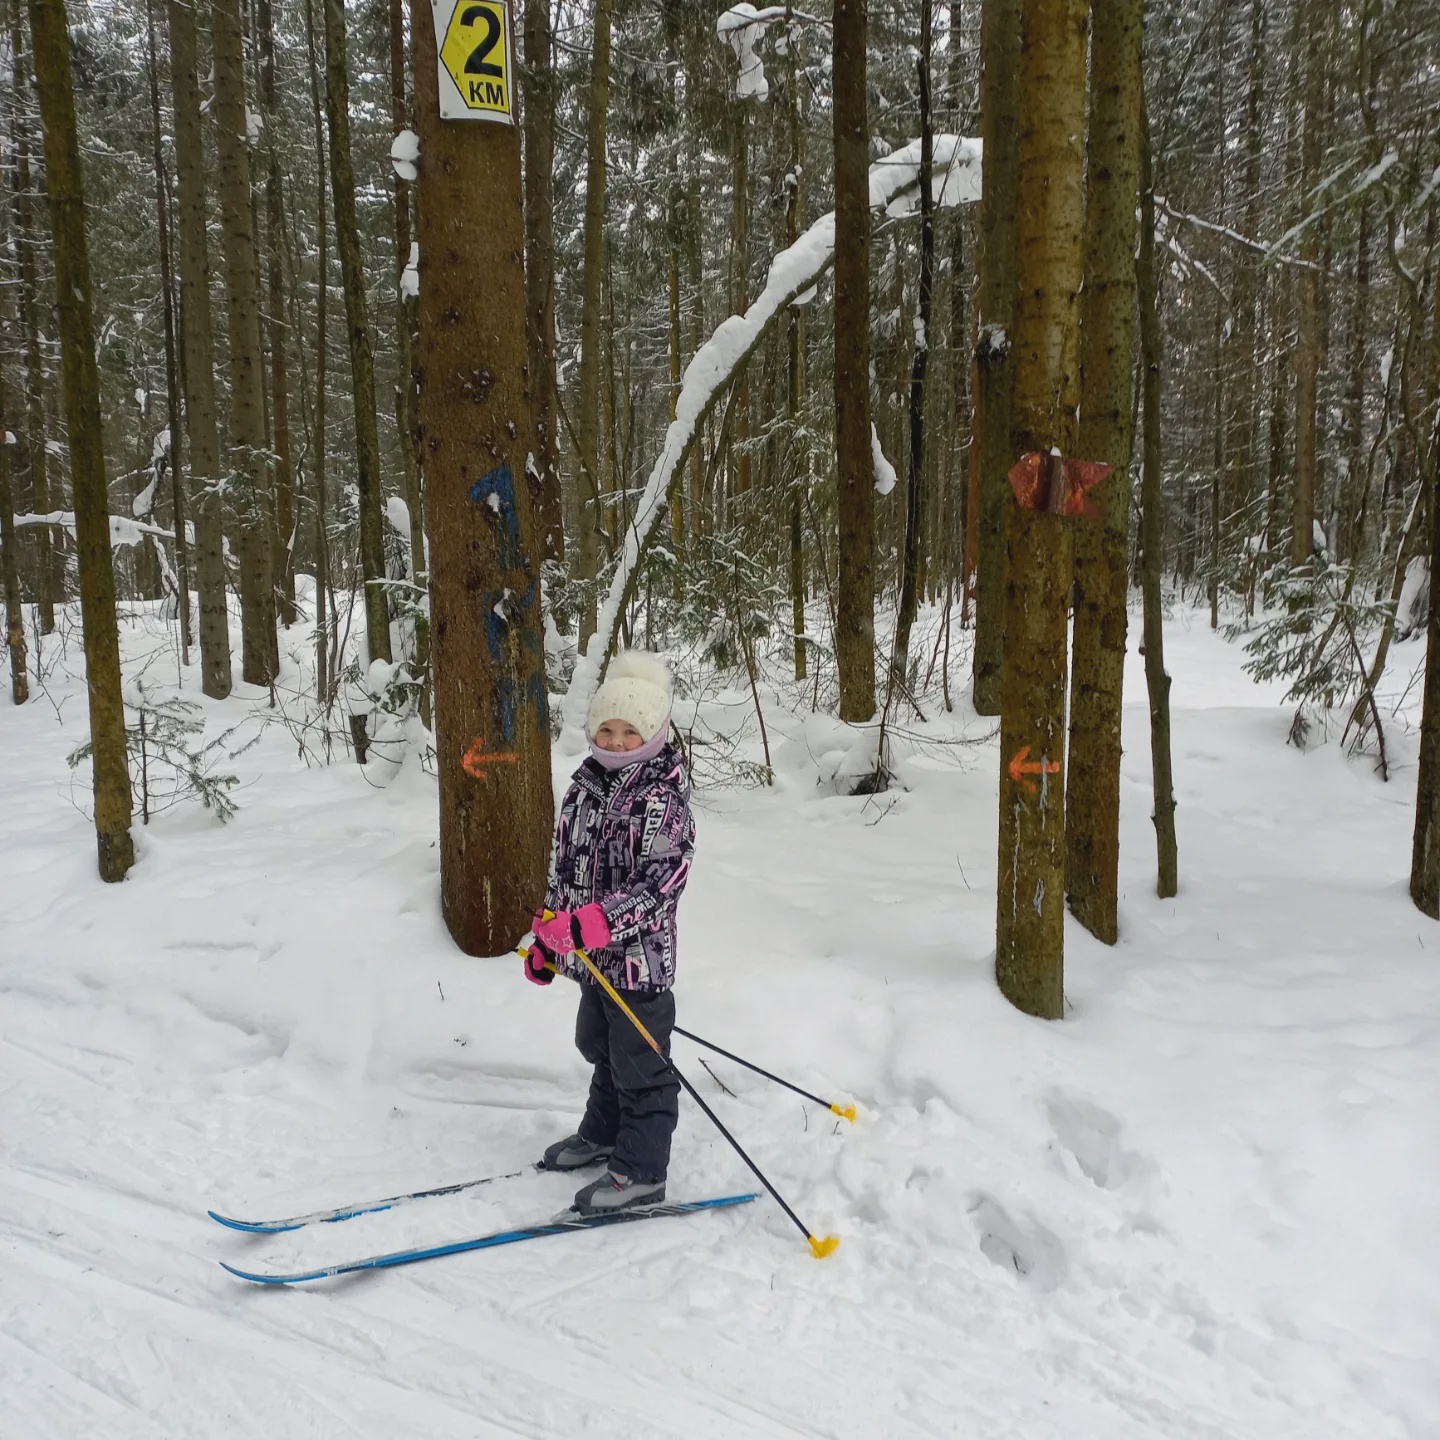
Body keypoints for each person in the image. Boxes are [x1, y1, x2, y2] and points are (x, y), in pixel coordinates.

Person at [523, 650, 695, 1215]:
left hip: (640, 964)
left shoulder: (661, 797)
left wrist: (595, 923)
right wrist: (547, 938)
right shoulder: (583, 787)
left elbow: (660, 883)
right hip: (592, 962)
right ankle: (602, 1132)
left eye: (629, 731)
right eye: (607, 728)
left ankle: (642, 1170)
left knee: (643, 1067)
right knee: (600, 1048)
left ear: (652, 733)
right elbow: (563, 865)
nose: (616, 741)